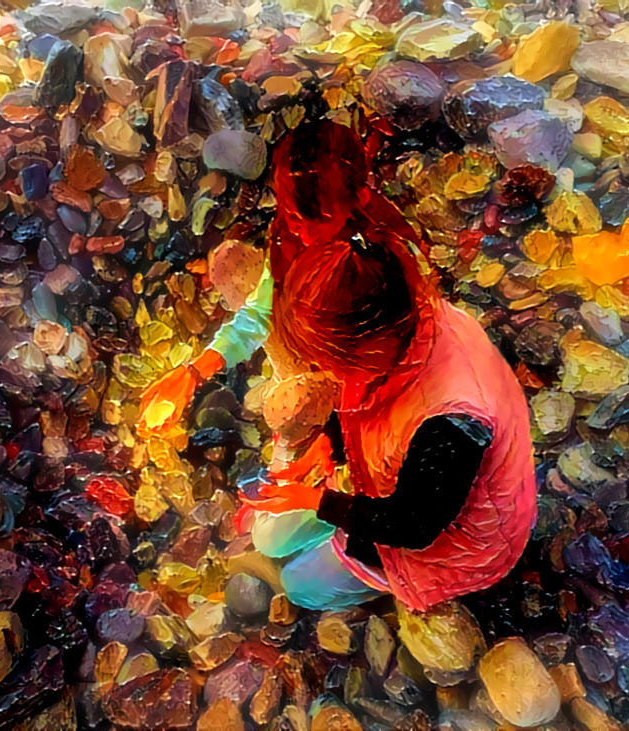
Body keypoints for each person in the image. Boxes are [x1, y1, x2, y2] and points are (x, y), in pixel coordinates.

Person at [139, 118, 536, 612]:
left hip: (455, 540)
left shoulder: (453, 420)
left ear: (361, 352)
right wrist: (329, 444)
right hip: (388, 456)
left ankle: (353, 575)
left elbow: (415, 524)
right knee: (269, 535)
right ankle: (320, 533)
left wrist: (321, 502)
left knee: (303, 586)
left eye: (331, 362)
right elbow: (358, 394)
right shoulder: (390, 324)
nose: (300, 231)